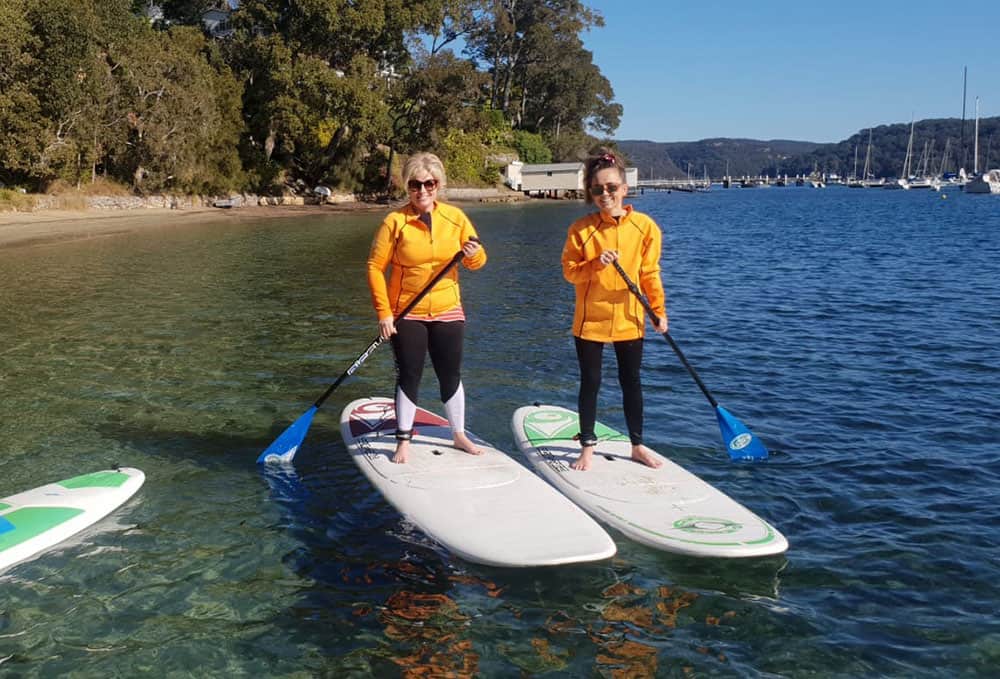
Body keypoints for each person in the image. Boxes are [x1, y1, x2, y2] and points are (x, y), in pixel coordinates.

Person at [367, 152, 487, 464]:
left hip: (449, 308)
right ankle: (403, 440)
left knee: (450, 374)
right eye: (415, 185)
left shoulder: (456, 218)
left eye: (429, 184)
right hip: (408, 311)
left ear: (438, 185)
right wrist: (384, 313)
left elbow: (478, 261)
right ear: (407, 187)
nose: (423, 190)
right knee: (410, 375)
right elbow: (375, 267)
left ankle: (459, 435)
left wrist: (473, 253)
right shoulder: (395, 222)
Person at [561, 149, 667, 471]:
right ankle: (587, 447)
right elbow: (569, 272)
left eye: (610, 188)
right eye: (597, 189)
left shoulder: (645, 228)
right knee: (590, 382)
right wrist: (594, 264)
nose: (604, 194)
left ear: (624, 188)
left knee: (631, 382)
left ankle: (636, 446)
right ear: (590, 193)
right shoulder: (582, 229)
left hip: (630, 319)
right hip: (590, 320)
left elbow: (649, 273)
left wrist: (658, 310)